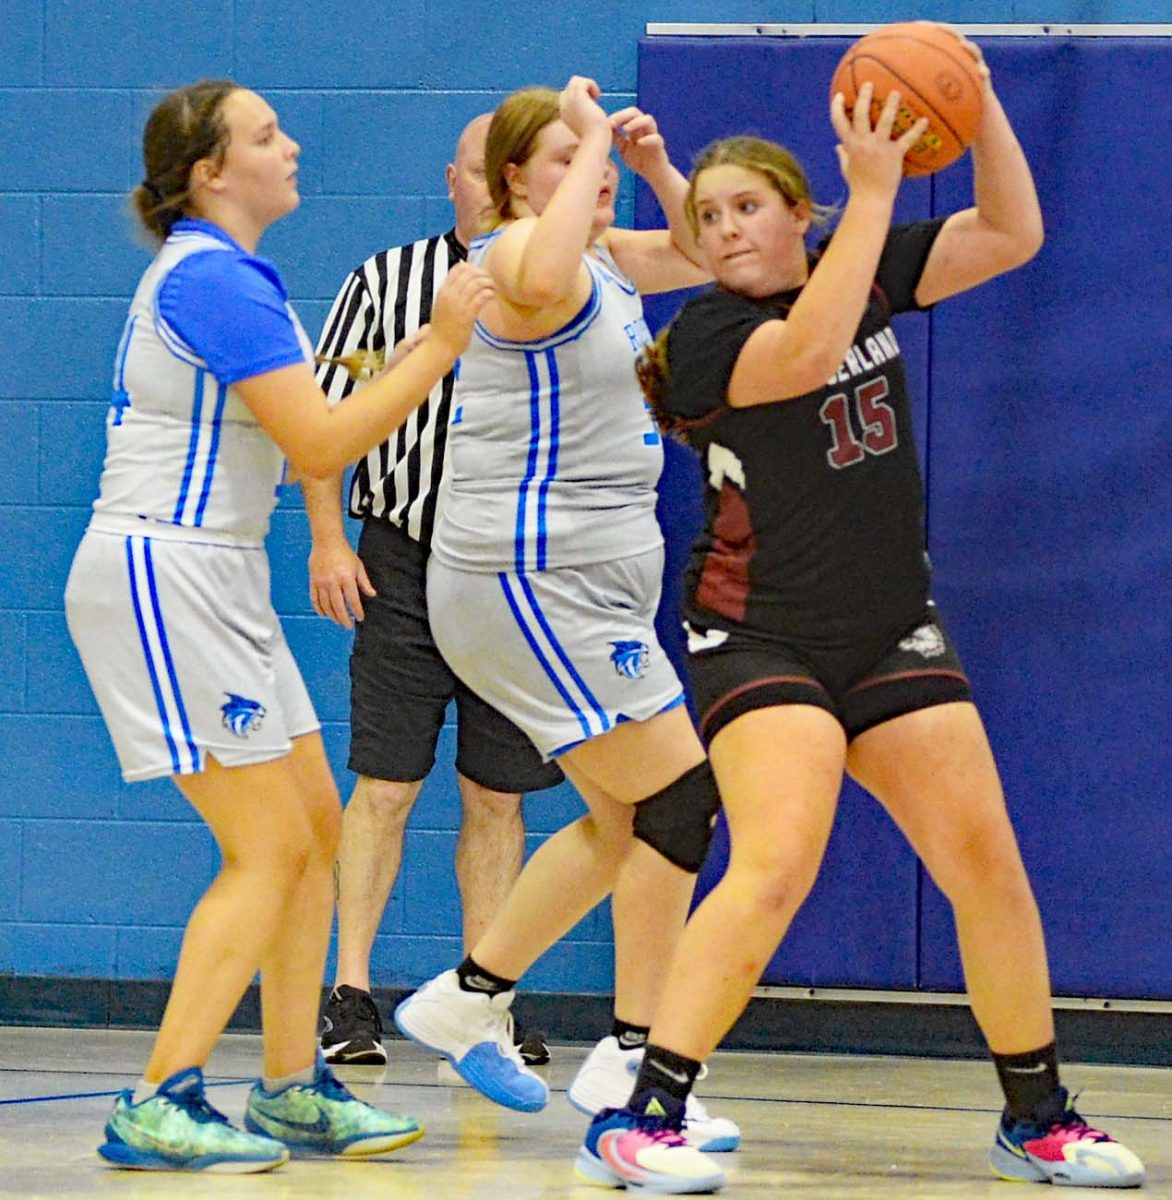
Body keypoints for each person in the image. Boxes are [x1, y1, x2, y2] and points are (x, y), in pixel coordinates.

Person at [578, 30, 1148, 1195]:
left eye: (750, 207)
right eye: (713, 212)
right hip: (757, 636)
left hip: (889, 629)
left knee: (985, 862)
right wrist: (874, 198)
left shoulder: (860, 260)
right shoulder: (704, 337)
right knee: (776, 860)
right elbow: (811, 348)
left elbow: (1012, 233)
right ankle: (644, 1116)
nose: (729, 227)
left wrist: (978, 108)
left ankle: (1035, 1114)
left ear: (797, 217)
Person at [63, 78, 493, 1173]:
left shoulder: (230, 277)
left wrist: (407, 361)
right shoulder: (212, 278)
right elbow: (318, 445)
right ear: (211, 174)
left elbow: (313, 431)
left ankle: (293, 1088)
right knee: (263, 850)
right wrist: (438, 342)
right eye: (265, 135)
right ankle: (158, 1096)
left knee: (308, 841)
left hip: (218, 573)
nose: (291, 146)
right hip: (168, 570)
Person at [391, 77, 736, 1160]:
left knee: (628, 823)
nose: (581, 177)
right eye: (557, 160)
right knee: (679, 797)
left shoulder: (601, 259)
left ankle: (470, 998)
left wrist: (649, 170)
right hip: (526, 580)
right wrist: (589, 139)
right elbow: (537, 260)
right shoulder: (506, 260)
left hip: (582, 587)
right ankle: (632, 1066)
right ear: (512, 182)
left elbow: (712, 258)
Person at [307, 113, 562, 1071]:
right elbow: (323, 416)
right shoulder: (384, 280)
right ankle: (351, 991)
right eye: (478, 171)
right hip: (403, 559)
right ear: (452, 179)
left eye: (513, 169)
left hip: (516, 572)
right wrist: (329, 537)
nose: (495, 186)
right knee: (385, 783)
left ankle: (482, 1000)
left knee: (498, 795)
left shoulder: (573, 288)